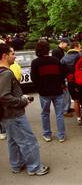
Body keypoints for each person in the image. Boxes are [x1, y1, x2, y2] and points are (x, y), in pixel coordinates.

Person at [0, 43, 49, 175]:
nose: (14, 57)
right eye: (12, 54)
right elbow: (4, 96)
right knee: (28, 140)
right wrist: (21, 100)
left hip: (7, 114)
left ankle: (16, 164)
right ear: (4, 56)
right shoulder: (6, 74)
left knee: (13, 140)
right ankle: (35, 167)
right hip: (14, 114)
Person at [31, 40, 65, 142]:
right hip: (57, 91)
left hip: (44, 92)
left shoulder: (35, 63)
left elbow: (34, 78)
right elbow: (62, 75)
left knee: (45, 114)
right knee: (59, 114)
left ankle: (47, 134)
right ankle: (61, 135)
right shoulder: (55, 60)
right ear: (48, 49)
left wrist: (39, 88)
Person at [60, 41, 82, 125]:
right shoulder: (80, 56)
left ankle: (78, 118)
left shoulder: (64, 58)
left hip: (70, 81)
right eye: (79, 46)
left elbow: (61, 72)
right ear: (76, 46)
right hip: (80, 81)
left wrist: (62, 83)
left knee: (76, 100)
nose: (80, 48)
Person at [52, 38, 73, 117]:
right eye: (67, 44)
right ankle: (64, 110)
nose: (67, 46)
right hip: (61, 75)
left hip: (64, 74)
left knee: (67, 93)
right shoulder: (57, 51)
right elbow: (58, 65)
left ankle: (67, 107)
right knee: (65, 93)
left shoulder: (60, 51)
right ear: (63, 43)